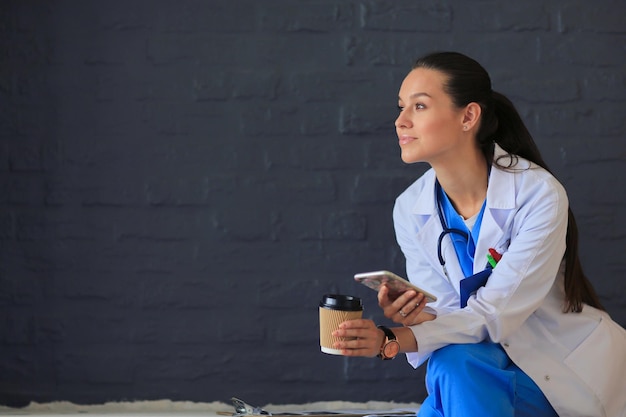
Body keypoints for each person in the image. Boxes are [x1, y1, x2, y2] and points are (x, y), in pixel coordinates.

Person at [331, 51, 626, 417]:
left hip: (555, 373)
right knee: (454, 363)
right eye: (400, 107)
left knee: (453, 367)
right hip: (475, 369)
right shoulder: (410, 208)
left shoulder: (538, 194)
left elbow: (496, 315)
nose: (400, 121)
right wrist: (416, 315)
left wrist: (392, 339)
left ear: (469, 116)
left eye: (419, 107)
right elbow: (449, 316)